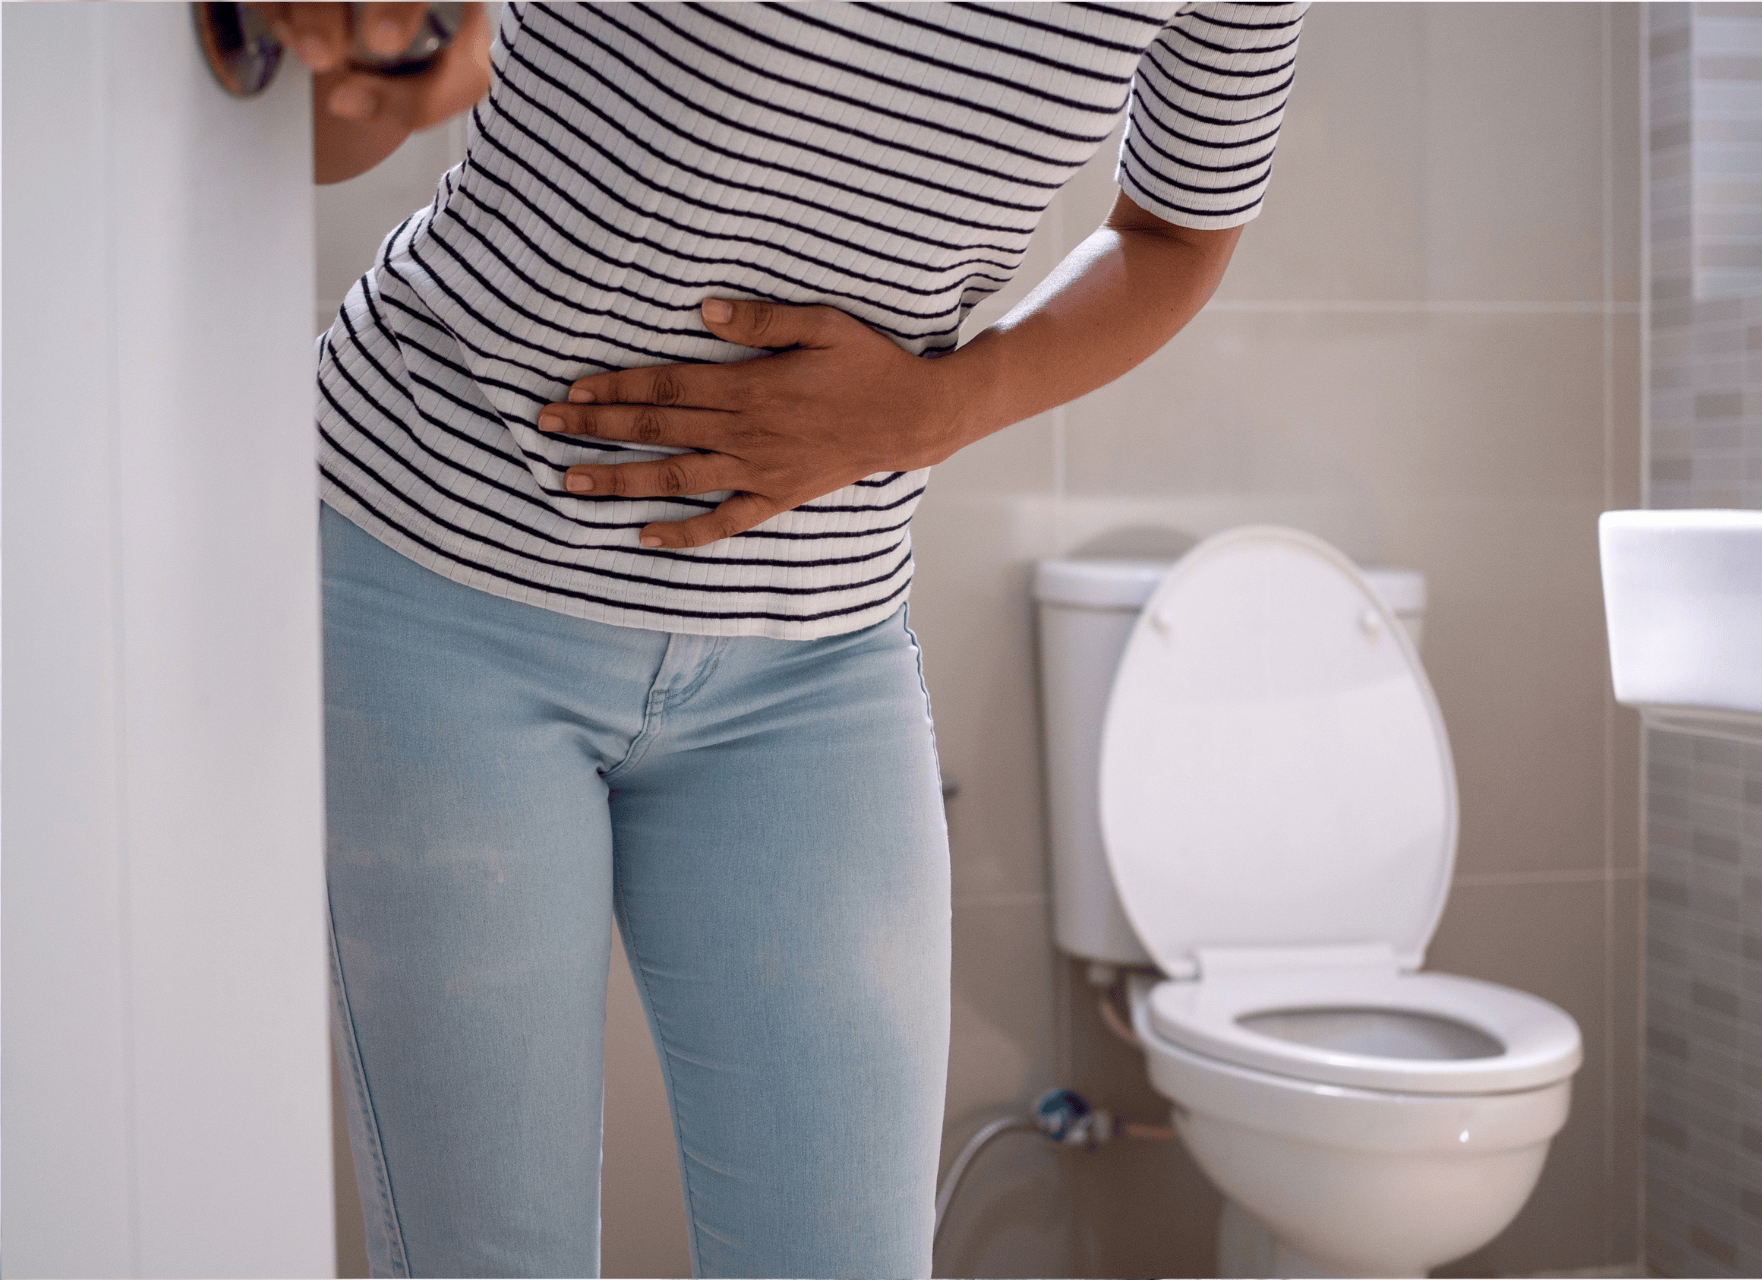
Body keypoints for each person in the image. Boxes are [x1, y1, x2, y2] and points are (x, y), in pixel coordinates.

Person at [274, 2, 1306, 1275]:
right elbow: (308, 127)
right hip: (441, 571)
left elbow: (1180, 228)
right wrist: (369, 72)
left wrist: (942, 406)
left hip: (817, 648)